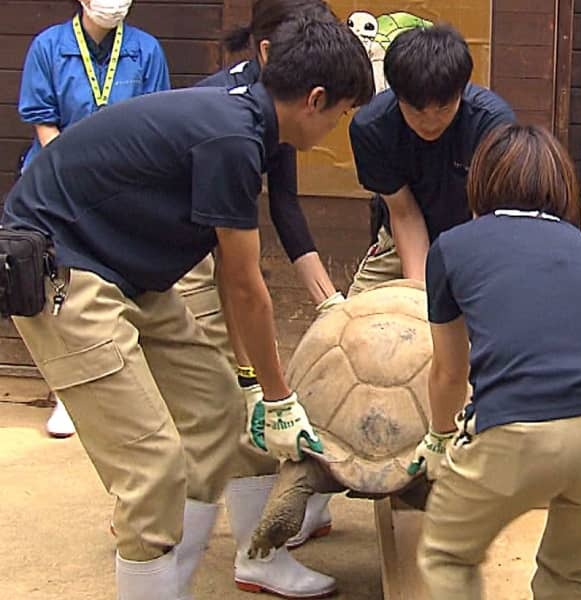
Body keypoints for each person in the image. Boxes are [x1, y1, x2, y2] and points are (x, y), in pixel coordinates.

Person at [3, 16, 373, 600]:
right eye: (340, 114)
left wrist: (252, 385)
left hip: (131, 275)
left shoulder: (246, 120)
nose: (335, 129)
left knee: (220, 414)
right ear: (315, 99)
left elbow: (232, 273)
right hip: (63, 271)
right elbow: (247, 284)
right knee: (152, 470)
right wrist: (278, 399)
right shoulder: (232, 136)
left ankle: (181, 581)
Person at [409, 124, 581, 600]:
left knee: (447, 555)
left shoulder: (453, 247)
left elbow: (450, 372)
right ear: (561, 187)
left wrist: (440, 441)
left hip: (520, 430)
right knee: (571, 572)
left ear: (479, 184)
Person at [171, 2, 343, 587]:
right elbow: (237, 274)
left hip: (226, 260)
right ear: (270, 50)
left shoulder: (280, 111)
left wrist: (329, 299)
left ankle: (257, 555)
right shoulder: (229, 114)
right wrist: (260, 380)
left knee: (245, 415)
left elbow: (286, 208)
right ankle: (152, 539)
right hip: (187, 266)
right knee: (217, 405)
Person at [17, 0, 169, 438]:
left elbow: (153, 122)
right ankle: (68, 393)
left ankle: (124, 390)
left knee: (116, 285)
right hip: (58, 181)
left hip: (124, 184)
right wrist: (76, 180)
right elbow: (44, 125)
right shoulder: (48, 47)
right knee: (64, 288)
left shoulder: (146, 49)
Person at [347, 25, 515, 294]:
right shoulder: (372, 127)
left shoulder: (492, 125)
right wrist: (421, 297)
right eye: (416, 110)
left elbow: (485, 219)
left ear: (461, 91)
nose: (430, 122)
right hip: (402, 237)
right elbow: (404, 214)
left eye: (443, 108)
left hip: (478, 232)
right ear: (397, 94)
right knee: (355, 311)